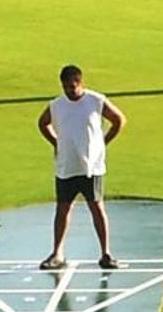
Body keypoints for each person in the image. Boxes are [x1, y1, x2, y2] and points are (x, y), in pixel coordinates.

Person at [38, 63, 126, 271]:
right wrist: (56, 142)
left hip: (91, 167)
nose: (69, 90)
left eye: (72, 86)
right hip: (67, 166)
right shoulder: (56, 105)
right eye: (66, 87)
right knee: (63, 208)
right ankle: (57, 253)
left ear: (80, 82)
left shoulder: (95, 101)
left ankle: (106, 253)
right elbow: (42, 123)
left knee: (97, 207)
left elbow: (118, 120)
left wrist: (103, 143)